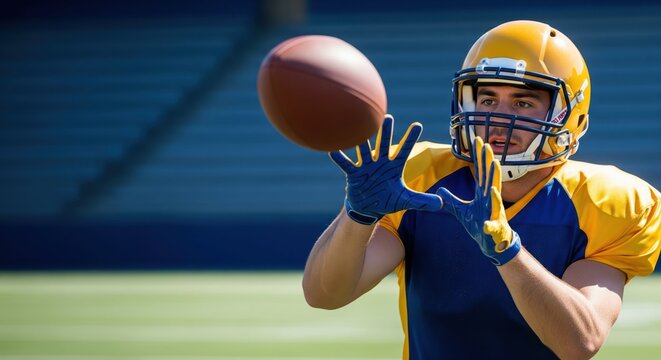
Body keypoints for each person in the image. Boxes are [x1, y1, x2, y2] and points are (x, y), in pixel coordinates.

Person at [302, 20, 661, 359]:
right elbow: (326, 294)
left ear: (570, 115)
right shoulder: (421, 175)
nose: (498, 118)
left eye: (522, 103)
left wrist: (506, 251)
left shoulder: (607, 202)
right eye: (487, 100)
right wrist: (358, 216)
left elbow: (579, 342)